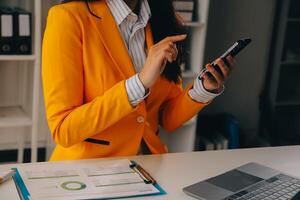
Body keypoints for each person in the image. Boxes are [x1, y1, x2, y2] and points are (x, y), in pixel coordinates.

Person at [42, 0, 235, 161]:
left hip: (147, 167)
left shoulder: (165, 20)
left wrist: (202, 90)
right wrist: (139, 84)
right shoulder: (67, 18)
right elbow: (63, 129)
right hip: (87, 171)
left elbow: (166, 117)